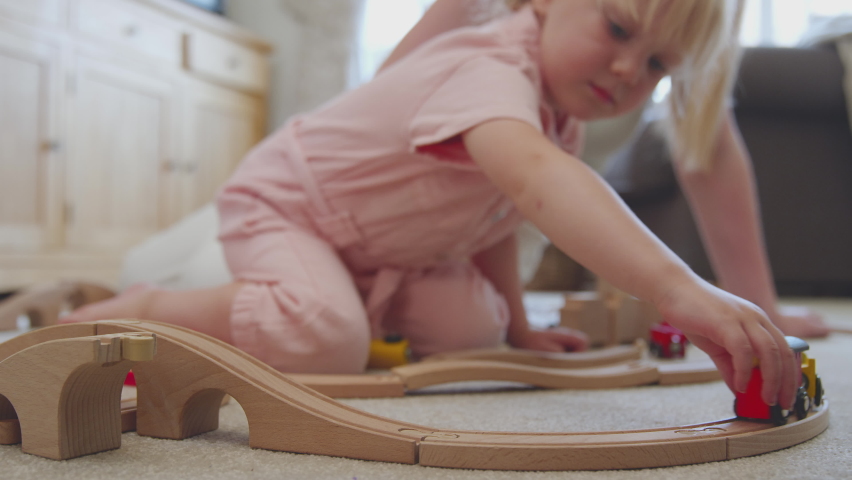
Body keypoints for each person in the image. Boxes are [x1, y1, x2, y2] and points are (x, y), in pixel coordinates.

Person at [63, 0, 806, 410]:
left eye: (656, 65)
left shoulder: (562, 119)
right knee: (323, 339)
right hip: (289, 205)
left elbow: (495, 218)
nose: (626, 68)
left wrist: (517, 324)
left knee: (474, 329)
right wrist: (680, 287)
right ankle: (149, 308)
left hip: (386, 250)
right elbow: (532, 185)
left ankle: (360, 301)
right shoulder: (489, 64)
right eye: (617, 28)